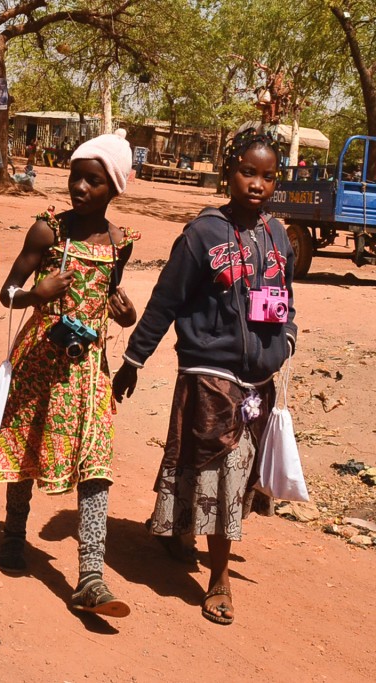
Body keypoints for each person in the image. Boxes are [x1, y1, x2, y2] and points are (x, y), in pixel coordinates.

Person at [112, 129, 297, 626]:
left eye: (268, 176)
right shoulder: (202, 234)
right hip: (210, 373)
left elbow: (287, 303)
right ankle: (219, 579)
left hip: (259, 379)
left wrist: (287, 341)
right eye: (247, 172)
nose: (257, 184)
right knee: (219, 469)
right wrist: (133, 359)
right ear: (227, 171)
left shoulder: (278, 236)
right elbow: (165, 302)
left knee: (224, 473)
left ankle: (180, 533)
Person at [0, 130, 139, 617]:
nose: (80, 188)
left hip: (89, 370)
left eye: (93, 181)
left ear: (113, 188)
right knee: (26, 444)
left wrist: (125, 315)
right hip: (40, 359)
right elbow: (7, 292)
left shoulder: (118, 245)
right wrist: (35, 295)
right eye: (76, 177)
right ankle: (13, 535)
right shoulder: (49, 231)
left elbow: (113, 300)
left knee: (97, 464)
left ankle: (91, 574)